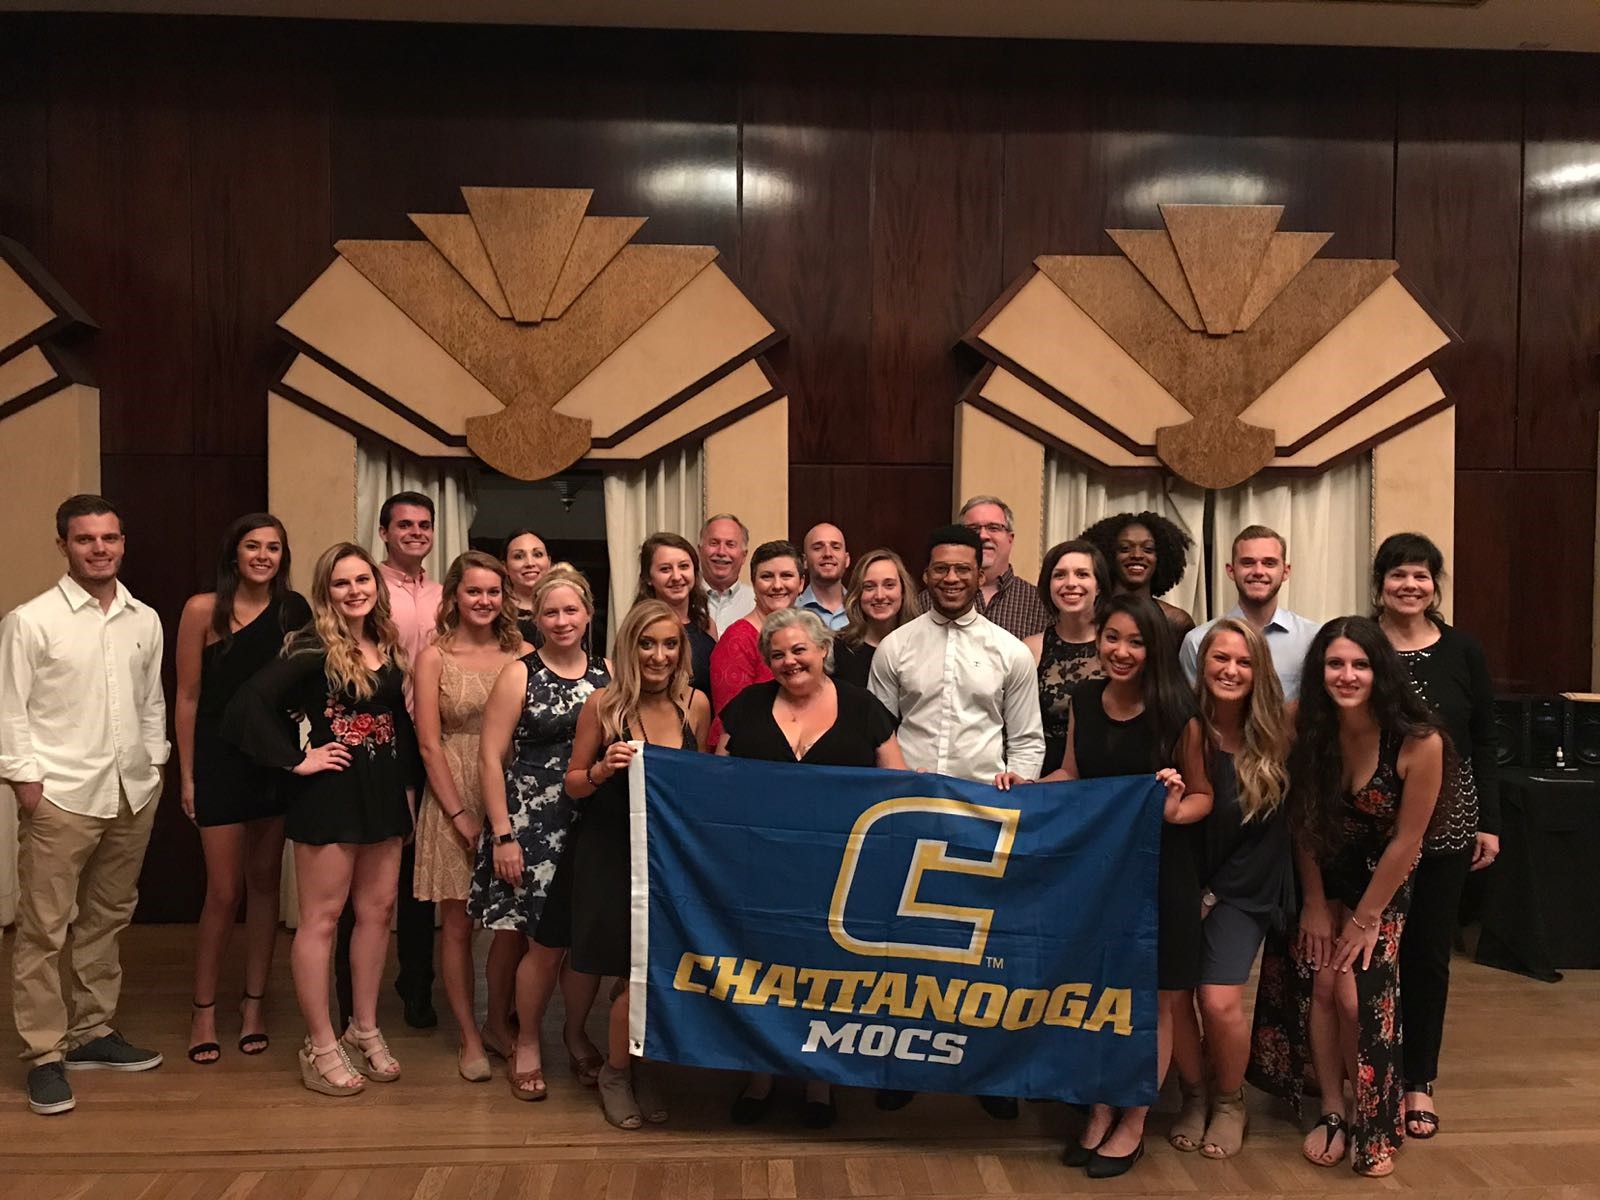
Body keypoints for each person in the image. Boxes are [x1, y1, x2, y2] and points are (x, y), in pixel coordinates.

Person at [1247, 617, 1443, 1178]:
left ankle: (1373, 1116)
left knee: (1356, 998)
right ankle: (1333, 1110)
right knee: (1322, 985)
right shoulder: (1301, 722)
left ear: (1382, 671)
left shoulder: (1419, 740)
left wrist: (1365, 917)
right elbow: (1302, 818)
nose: (1347, 675)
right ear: (1319, 670)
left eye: (1361, 664)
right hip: (1320, 871)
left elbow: (1408, 840)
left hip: (1383, 881)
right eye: (1335, 663)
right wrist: (1313, 902)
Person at [223, 542, 420, 1096]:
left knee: (377, 914)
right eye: (341, 583)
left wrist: (408, 795)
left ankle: (364, 1027)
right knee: (322, 920)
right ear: (325, 592)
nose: (355, 591)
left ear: (376, 585)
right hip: (330, 796)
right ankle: (320, 1043)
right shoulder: (312, 647)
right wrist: (296, 759)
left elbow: (399, 726)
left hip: (383, 796)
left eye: (363, 580)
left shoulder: (386, 643)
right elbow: (246, 705)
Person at [868, 524, 1044, 1120]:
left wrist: (1016, 789)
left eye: (962, 569)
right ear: (926, 574)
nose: (951, 578)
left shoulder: (1010, 652)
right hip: (910, 816)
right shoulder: (895, 648)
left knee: (983, 952)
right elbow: (877, 733)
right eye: (940, 568)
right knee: (906, 949)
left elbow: (1027, 741)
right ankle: (901, 1067)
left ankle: (988, 1074)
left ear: (980, 573)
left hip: (982, 819)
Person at [2, 495, 169, 1116]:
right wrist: (26, 784)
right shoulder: (31, 621)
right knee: (43, 930)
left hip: (131, 790)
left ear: (122, 542)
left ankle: (91, 1033)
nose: (100, 549)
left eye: (110, 538)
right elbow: (9, 708)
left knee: (107, 917)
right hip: (61, 796)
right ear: (63, 546)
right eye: (85, 539)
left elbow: (151, 700)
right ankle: (44, 1055)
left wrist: (155, 761)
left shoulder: (143, 619)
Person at [1039, 593, 1213, 1178]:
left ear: (1154, 649)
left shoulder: (1179, 714)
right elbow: (1072, 773)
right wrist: (1027, 788)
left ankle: (1135, 1120)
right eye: (1112, 637)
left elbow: (1203, 796)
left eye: (1135, 642)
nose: (1121, 651)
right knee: (1098, 996)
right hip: (1100, 874)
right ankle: (1100, 1108)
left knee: (1156, 1000)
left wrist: (1173, 809)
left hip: (1163, 874)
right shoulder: (1084, 699)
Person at [717, 608, 907, 1128]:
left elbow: (896, 784)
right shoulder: (747, 707)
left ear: (824, 649)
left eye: (799, 649)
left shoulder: (862, 706)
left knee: (824, 972)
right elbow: (715, 782)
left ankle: (818, 1080)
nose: (789, 661)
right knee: (758, 969)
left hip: (838, 872)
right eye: (777, 654)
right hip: (759, 869)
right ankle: (759, 1074)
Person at [554, 599, 711, 1129]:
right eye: (647, 644)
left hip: (668, 856)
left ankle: (636, 1067)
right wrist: (602, 769)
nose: (658, 655)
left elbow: (700, 785)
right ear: (629, 648)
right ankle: (616, 1073)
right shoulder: (603, 705)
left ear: (681, 650)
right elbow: (573, 784)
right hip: (610, 850)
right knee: (625, 967)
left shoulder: (696, 705)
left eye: (669, 644)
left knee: (652, 970)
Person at [1371, 532, 1498, 1142]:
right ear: (1380, 584)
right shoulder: (1361, 644)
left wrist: (1488, 821)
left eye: (1421, 575)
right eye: (1398, 574)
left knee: (1426, 953)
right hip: (1372, 820)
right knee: (1370, 951)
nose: (1410, 585)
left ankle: (1419, 1079)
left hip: (1450, 820)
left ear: (1435, 585)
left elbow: (1485, 740)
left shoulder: (1463, 649)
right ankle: (1367, 1071)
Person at [176, 513, 310, 1066]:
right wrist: (187, 775)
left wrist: (300, 717)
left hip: (273, 760)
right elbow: (187, 696)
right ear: (234, 553)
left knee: (264, 885)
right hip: (219, 760)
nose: (262, 556)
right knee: (223, 890)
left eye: (273, 548)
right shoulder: (201, 609)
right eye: (252, 546)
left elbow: (305, 680)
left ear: (282, 557)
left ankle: (254, 1004)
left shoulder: (294, 610)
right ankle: (203, 1010)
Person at [473, 567, 610, 1101]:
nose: (561, 620)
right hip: (531, 824)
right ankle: (525, 1040)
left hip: (591, 821)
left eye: (571, 610)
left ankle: (575, 1034)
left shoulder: (607, 673)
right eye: (550, 612)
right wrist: (502, 835)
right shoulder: (519, 674)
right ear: (538, 618)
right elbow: (490, 757)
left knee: (583, 943)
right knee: (540, 944)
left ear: (588, 614)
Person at [1166, 619, 1293, 1160]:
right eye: (1221, 658)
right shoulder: (1183, 727)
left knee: (1217, 1002)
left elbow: (1269, 837)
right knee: (1174, 997)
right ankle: (1192, 1095)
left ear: (1258, 671)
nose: (1231, 670)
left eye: (1243, 662)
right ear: (1202, 665)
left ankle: (1229, 1099)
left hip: (1243, 889)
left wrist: (1212, 896)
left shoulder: (1279, 735)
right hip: (1181, 881)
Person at [411, 551, 531, 1083]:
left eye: (493, 592)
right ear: (454, 596)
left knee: (511, 923)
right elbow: (428, 744)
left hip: (512, 789)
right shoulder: (434, 657)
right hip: (453, 790)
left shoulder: (523, 653)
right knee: (459, 923)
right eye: (474, 591)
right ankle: (467, 1034)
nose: (484, 600)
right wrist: (459, 815)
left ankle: (497, 1021)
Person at [365, 490, 443, 1030]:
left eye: (424, 525)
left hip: (432, 739)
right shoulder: (366, 589)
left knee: (420, 874)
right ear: (384, 532)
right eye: (404, 525)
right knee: (373, 871)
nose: (415, 533)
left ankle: (416, 985)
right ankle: (354, 996)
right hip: (380, 738)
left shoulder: (444, 595)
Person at [1180, 525, 1320, 701]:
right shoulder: (1197, 641)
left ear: (1285, 571)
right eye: (1248, 563)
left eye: (1269, 563)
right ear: (1231, 571)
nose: (1258, 571)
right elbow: (1194, 710)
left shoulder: (1312, 638)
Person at [1023, 539, 1109, 774]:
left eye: (1082, 574)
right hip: (1046, 775)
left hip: (1109, 776)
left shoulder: (1117, 647)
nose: (1070, 583)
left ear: (1099, 586)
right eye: (1059, 575)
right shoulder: (1030, 649)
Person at [917, 496, 1050, 640]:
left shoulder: (1040, 603)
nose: (983, 535)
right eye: (973, 529)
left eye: (993, 528)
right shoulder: (926, 601)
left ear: (1010, 539)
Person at [708, 540, 801, 744]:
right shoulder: (738, 639)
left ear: (801, 583)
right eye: (767, 576)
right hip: (752, 752)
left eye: (786, 575)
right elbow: (731, 722)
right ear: (754, 583)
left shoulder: (809, 634)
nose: (777, 585)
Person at [1082, 510, 1196, 644]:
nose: (1137, 555)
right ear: (1107, 555)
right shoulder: (1087, 614)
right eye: (1125, 548)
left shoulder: (1176, 621)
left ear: (1161, 557)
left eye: (1148, 549)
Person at [635, 532, 716, 697]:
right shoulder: (639, 627)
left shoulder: (706, 624)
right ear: (648, 578)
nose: (677, 576)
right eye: (665, 569)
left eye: (684, 566)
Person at [832, 548, 920, 688]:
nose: (879, 595)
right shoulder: (837, 649)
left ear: (903, 591)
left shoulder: (920, 645)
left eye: (889, 585)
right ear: (858, 594)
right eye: (869, 587)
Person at [700, 513, 754, 631]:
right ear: (700, 550)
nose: (721, 552)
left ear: (744, 556)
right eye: (714, 543)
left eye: (730, 545)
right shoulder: (683, 599)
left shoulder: (756, 602)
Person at [796, 522, 850, 630]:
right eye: (818, 548)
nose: (828, 554)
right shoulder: (792, 612)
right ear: (805, 561)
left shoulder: (862, 610)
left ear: (847, 559)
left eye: (835, 547)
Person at [504, 529, 551, 645]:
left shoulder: (567, 608)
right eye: (518, 556)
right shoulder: (496, 612)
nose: (530, 563)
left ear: (549, 562)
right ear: (505, 567)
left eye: (538, 554)